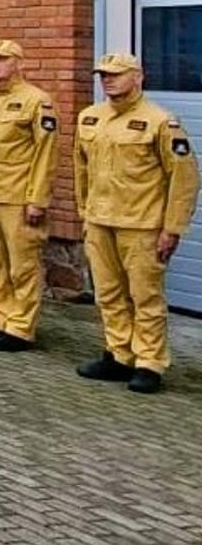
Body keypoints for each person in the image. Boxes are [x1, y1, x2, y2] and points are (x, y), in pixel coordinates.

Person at [73, 53, 198, 394]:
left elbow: (184, 179)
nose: (107, 80)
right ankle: (119, 354)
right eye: (103, 75)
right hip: (100, 222)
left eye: (116, 74)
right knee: (109, 294)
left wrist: (172, 228)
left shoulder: (160, 122)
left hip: (142, 225)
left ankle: (149, 362)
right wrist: (84, 212)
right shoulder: (90, 118)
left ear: (138, 77)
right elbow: (81, 170)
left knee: (145, 297)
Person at [0, 39, 57, 352]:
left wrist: (38, 199)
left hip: (17, 196)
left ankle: (20, 327)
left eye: (2, 59)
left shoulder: (37, 100)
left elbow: (46, 154)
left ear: (19, 62)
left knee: (23, 264)